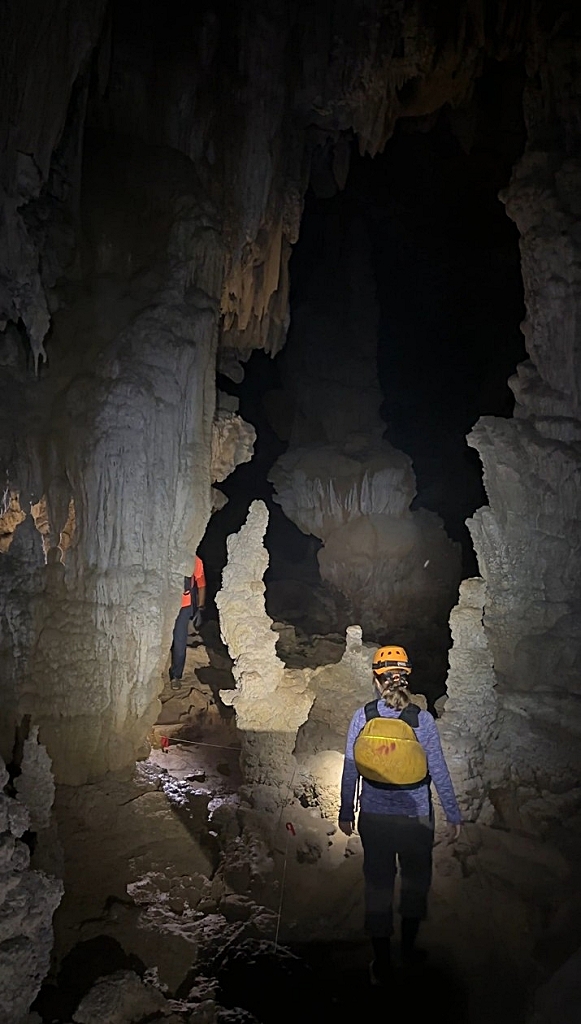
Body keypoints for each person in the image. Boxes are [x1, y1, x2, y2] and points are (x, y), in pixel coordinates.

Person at [338, 644, 462, 982]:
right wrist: (453, 814)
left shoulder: (362, 716)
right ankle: (407, 953)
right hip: (416, 817)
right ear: (406, 678)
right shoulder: (421, 719)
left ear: (376, 680)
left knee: (378, 884)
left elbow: (351, 767)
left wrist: (346, 810)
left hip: (374, 818)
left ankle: (381, 963)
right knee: (413, 883)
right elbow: (437, 769)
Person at [169, 554, 206, 689]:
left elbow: (201, 583)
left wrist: (200, 608)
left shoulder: (194, 559)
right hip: (165, 604)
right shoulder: (165, 552)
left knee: (179, 641)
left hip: (183, 607)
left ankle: (176, 676)